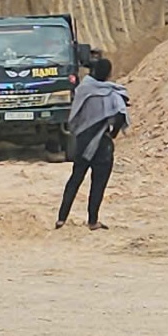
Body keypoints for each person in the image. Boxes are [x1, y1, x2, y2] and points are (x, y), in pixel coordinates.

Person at [55, 57, 128, 231]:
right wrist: (113, 133)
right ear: (109, 74)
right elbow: (120, 115)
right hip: (102, 144)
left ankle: (61, 219)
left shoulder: (83, 89)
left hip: (83, 142)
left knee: (75, 179)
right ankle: (93, 221)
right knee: (98, 183)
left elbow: (75, 116)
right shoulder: (112, 92)